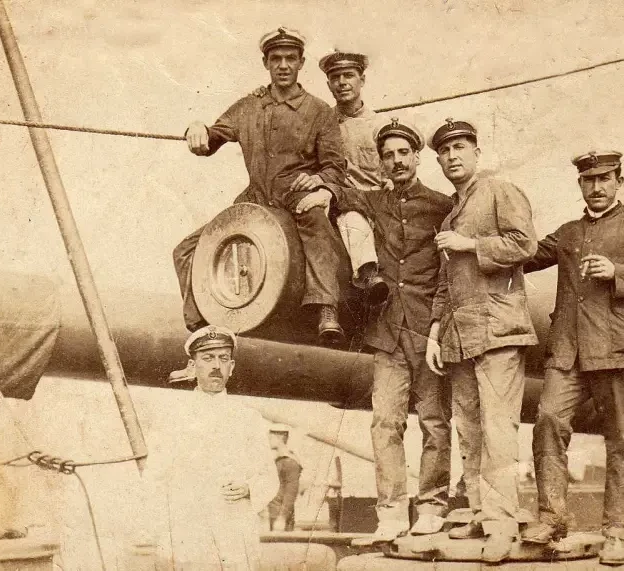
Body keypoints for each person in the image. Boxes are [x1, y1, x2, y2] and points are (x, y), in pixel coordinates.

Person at [520, 151, 624, 566]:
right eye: (589, 180)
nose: (596, 187)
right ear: (580, 185)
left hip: (618, 352)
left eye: (605, 178)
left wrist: (617, 272)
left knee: (621, 440)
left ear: (618, 181)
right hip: (568, 352)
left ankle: (617, 532)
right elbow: (525, 254)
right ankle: (552, 518)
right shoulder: (568, 233)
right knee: (548, 422)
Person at [173, 27, 348, 348]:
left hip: (295, 194)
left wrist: (320, 182)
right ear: (265, 63)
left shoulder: (320, 112)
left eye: (290, 58)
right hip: (255, 197)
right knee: (186, 249)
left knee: (315, 221)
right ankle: (202, 323)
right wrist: (195, 128)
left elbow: (335, 166)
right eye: (276, 59)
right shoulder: (248, 107)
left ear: (301, 62)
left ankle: (326, 308)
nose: (283, 65)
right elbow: (211, 138)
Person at [327, 117, 453, 540]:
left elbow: (449, 272)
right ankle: (392, 514)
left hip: (429, 331)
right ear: (380, 162)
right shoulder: (371, 202)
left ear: (417, 156)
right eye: (388, 155)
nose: (396, 161)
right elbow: (341, 198)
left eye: (403, 153)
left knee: (435, 421)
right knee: (385, 423)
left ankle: (432, 506)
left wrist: (439, 326)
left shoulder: (441, 206)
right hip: (386, 332)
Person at [425, 119, 538, 563]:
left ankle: (502, 524)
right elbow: (444, 281)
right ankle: (480, 512)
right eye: (445, 150)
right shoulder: (451, 214)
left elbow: (524, 245)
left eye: (460, 147)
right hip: (459, 337)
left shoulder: (499, 191)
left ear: (476, 152)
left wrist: (470, 244)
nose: (452, 155)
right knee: (469, 430)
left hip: (497, 332)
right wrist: (434, 331)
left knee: (497, 430)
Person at [144, 326, 278, 570]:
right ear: (192, 366)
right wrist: (163, 533)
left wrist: (249, 488)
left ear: (232, 367)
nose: (216, 366)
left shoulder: (248, 419)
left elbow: (269, 477)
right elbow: (154, 478)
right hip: (187, 536)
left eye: (223, 359)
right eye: (208, 358)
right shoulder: (172, 417)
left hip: (235, 535)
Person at [318, 49, 388, 304]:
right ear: (329, 85)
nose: (342, 82)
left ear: (362, 80)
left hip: (375, 203)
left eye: (348, 75)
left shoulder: (379, 126)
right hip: (338, 204)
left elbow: (391, 171)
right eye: (335, 78)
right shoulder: (322, 125)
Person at [266, 424, 303, 532]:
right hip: (274, 513)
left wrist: (282, 518)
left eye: (271, 437)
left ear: (280, 438)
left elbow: (291, 492)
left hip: (281, 517)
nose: (268, 440)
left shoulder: (289, 461)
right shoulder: (280, 460)